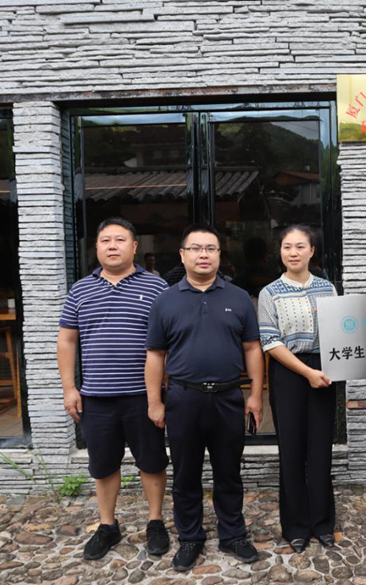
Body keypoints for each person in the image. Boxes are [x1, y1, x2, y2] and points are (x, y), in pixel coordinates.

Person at [145, 224, 264, 572]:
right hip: (183, 398)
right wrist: (155, 402)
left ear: (219, 255)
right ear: (182, 255)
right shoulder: (165, 300)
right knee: (186, 474)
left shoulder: (238, 297)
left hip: (228, 396)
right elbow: (155, 355)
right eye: (196, 248)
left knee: (229, 472)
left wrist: (256, 395)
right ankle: (190, 537)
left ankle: (233, 535)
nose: (203, 255)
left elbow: (252, 348)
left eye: (210, 248)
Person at [57, 217, 169, 561]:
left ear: (134, 247)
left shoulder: (157, 287)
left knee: (152, 461)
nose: (112, 246)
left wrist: (163, 389)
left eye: (120, 240)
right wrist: (69, 388)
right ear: (97, 247)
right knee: (103, 465)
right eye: (105, 240)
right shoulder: (80, 290)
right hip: (96, 397)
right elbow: (67, 340)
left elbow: (170, 340)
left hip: (143, 396)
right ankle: (107, 525)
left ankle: (155, 522)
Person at [257, 225, 338, 553]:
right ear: (280, 252)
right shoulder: (270, 293)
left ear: (311, 251)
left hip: (324, 370)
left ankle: (323, 523)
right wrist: (306, 372)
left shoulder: (327, 288)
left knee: (321, 449)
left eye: (300, 246)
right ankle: (296, 526)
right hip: (288, 372)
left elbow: (339, 331)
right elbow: (269, 341)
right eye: (287, 247)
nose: (293, 252)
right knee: (291, 450)